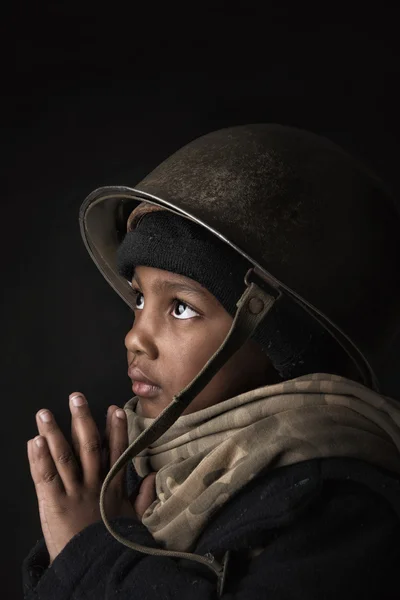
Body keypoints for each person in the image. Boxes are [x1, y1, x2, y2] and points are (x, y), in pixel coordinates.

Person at [23, 124, 400, 599]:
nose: (135, 337)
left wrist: (89, 554)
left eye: (181, 308)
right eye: (139, 299)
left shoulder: (341, 511)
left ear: (281, 345)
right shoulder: (145, 482)